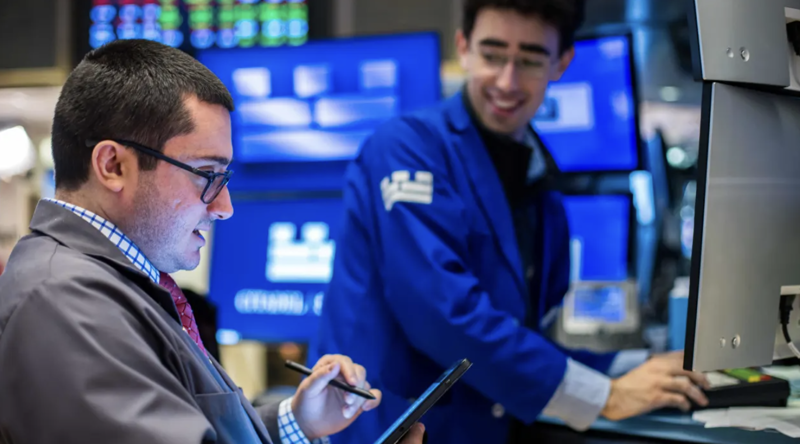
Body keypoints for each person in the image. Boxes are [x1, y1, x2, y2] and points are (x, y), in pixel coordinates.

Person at [309, 1, 710, 443]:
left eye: (531, 60)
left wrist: (630, 367)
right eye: (492, 54)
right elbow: (440, 312)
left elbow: (524, 334)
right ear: (464, 48)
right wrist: (603, 395)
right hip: (388, 427)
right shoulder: (407, 148)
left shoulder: (538, 180)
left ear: (562, 62)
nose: (507, 81)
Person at [0, 39, 425, 444]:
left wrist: (297, 421)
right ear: (113, 165)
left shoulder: (104, 285)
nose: (224, 207)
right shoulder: (64, 302)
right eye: (206, 175)